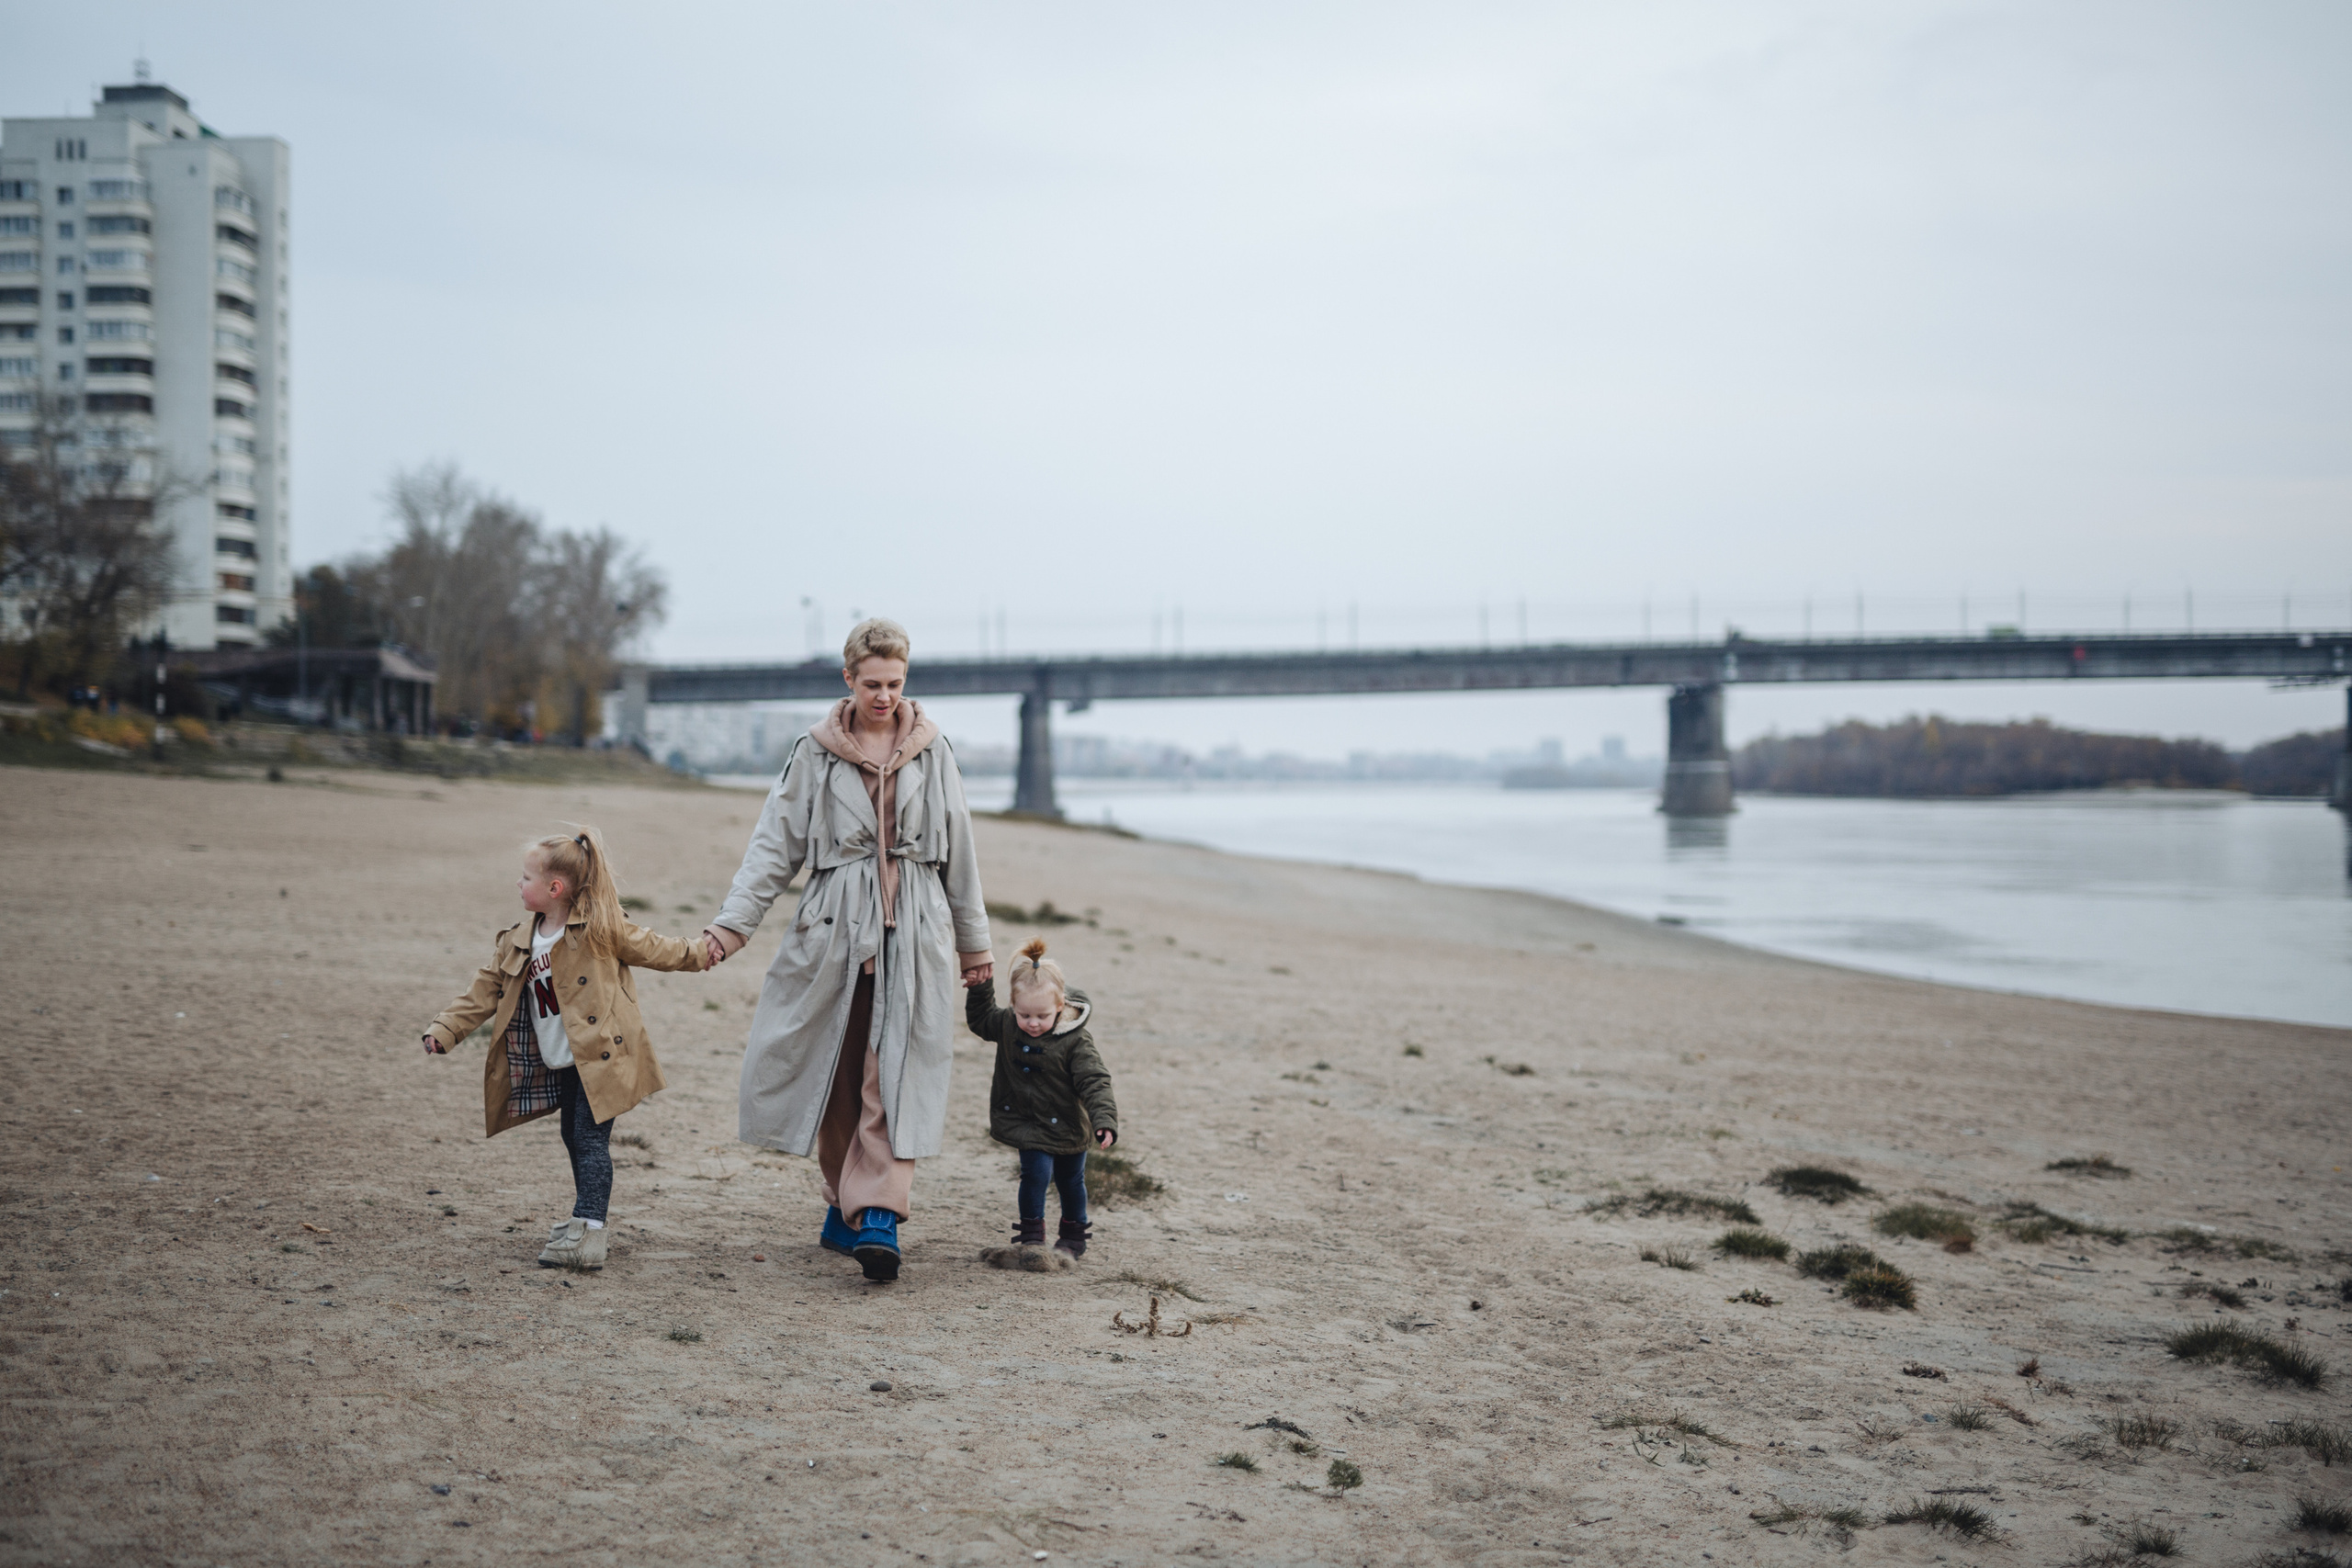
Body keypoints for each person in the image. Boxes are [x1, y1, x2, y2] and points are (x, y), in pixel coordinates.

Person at [702, 618, 993, 1282]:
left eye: (895, 683)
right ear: (848, 679)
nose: (884, 695)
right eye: (872, 683)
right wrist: (732, 925)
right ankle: (843, 1200)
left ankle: (881, 1213)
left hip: (914, 928)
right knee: (832, 1070)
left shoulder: (934, 749)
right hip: (832, 927)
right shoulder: (815, 752)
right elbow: (775, 844)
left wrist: (975, 945)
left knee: (894, 1068)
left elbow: (961, 848)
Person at [420, 825, 708, 1270]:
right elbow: (484, 991)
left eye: (525, 878)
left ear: (554, 888)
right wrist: (445, 1030)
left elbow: (655, 948)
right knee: (572, 1137)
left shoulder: (599, 930)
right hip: (559, 1060)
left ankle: (590, 1231)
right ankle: (583, 1220)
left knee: (590, 1140)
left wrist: (703, 951)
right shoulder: (518, 939)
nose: (518, 883)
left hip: (601, 1058)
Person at [964, 938, 1117, 1258]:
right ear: (1014, 1007)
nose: (1033, 1023)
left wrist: (1103, 1120)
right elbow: (980, 1021)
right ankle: (1032, 1236)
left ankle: (1074, 1234)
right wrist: (980, 988)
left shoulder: (1075, 1040)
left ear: (1060, 1007)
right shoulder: (1008, 1024)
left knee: (1070, 1181)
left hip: (1069, 1125)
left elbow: (1094, 1081)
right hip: (1027, 1121)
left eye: (1042, 1016)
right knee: (1035, 1174)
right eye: (1025, 1015)